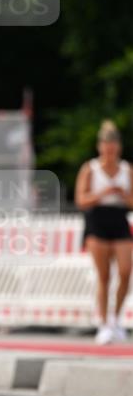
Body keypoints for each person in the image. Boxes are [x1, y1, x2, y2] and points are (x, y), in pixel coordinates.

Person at [75, 120, 132, 344]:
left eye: (114, 144)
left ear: (118, 147)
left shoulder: (127, 170)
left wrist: (122, 194)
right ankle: (104, 323)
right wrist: (104, 192)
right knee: (104, 275)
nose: (110, 149)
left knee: (126, 271)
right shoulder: (91, 168)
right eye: (106, 144)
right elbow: (82, 200)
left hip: (119, 218)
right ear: (101, 146)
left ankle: (116, 318)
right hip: (97, 219)